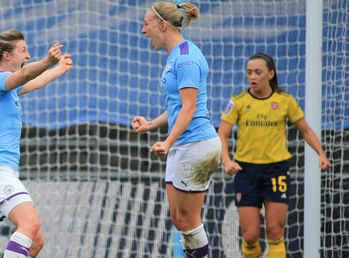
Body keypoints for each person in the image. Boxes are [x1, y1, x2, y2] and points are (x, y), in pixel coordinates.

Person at [218, 52, 331, 258]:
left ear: (271, 74)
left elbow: (305, 129)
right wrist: (226, 160)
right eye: (249, 72)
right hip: (246, 171)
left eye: (258, 72)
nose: (252, 77)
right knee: (250, 236)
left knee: (275, 231)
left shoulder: (285, 100)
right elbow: (222, 134)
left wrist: (321, 154)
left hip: (276, 170)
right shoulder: (238, 102)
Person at [131, 2, 221, 258]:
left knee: (189, 220)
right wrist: (150, 124)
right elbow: (178, 107)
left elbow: (190, 108)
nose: (143, 30)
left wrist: (168, 142)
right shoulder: (176, 56)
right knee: (180, 220)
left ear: (162, 25)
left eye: (146, 24)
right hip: (185, 144)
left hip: (196, 144)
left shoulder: (186, 58)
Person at [0, 29, 73, 258]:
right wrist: (48, 60)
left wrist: (59, 69)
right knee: (29, 223)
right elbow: (26, 75)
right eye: (23, 50)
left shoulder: (6, 86)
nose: (27, 55)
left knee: (36, 240)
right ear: (7, 55)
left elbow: (33, 82)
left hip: (0, 170)